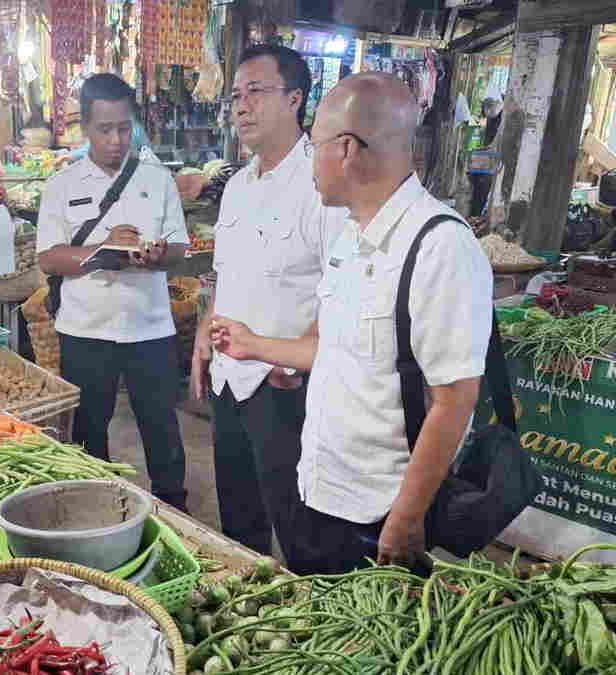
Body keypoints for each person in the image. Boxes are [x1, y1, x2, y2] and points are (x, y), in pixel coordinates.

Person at [210, 73, 493, 574]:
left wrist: (406, 518)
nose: (309, 161)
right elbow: (333, 349)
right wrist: (254, 345)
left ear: (344, 150)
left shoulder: (439, 247)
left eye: (314, 145)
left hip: (378, 510)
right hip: (319, 485)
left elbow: (454, 400)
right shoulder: (351, 235)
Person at [190, 44, 341, 557]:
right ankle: (247, 603)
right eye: (236, 94)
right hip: (230, 381)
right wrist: (201, 342)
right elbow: (222, 276)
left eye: (256, 91)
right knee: (239, 519)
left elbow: (339, 288)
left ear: (296, 98)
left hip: (284, 385)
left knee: (299, 527)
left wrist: (302, 356)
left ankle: (307, 621)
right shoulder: (237, 186)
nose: (240, 105)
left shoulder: (322, 185)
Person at [37, 73, 190, 510]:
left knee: (162, 429)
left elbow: (178, 248)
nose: (117, 139)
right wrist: (104, 247)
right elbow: (49, 258)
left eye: (124, 127)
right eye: (105, 129)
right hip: (86, 329)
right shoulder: (62, 185)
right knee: (88, 430)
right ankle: (95, 509)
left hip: (150, 328)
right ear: (84, 126)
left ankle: (175, 509)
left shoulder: (156, 178)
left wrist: (158, 253)